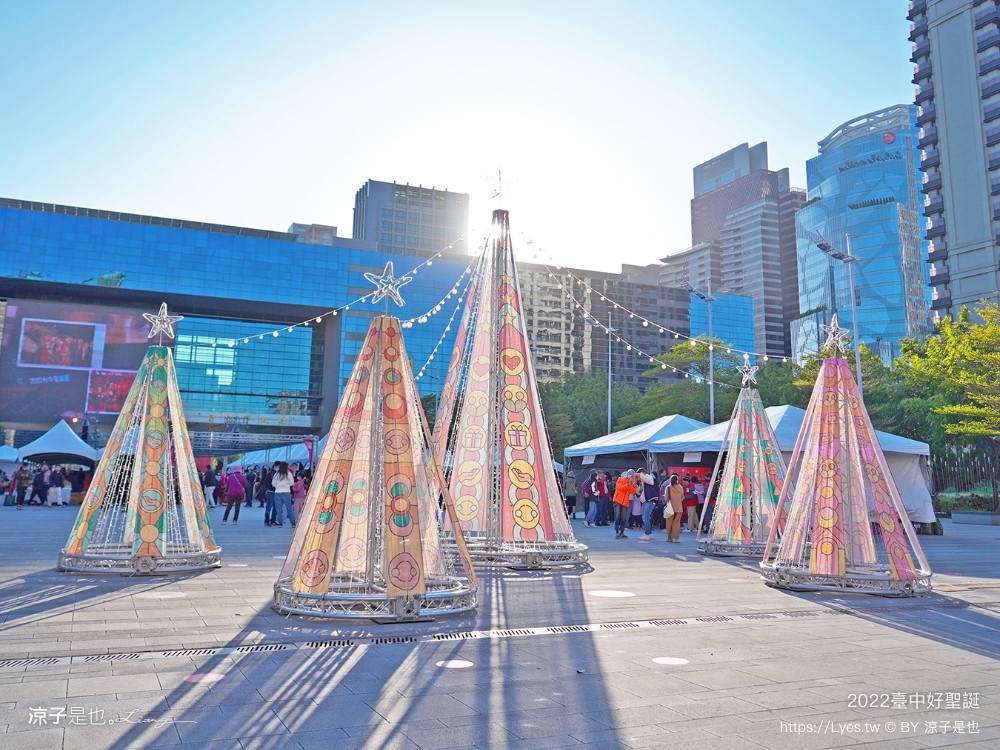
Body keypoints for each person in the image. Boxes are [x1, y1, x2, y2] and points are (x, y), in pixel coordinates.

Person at [611, 470, 638, 539]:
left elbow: (632, 492)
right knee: (617, 516)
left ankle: (622, 532)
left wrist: (634, 485)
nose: (631, 476)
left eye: (632, 475)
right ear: (627, 474)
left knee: (624, 517)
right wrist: (628, 484)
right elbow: (620, 488)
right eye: (629, 475)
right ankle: (617, 531)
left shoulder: (631, 482)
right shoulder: (620, 479)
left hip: (625, 502)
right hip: (617, 500)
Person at [271, 461, 296, 527]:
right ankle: (293, 523)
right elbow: (292, 483)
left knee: (278, 508)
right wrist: (286, 485)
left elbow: (273, 484)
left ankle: (280, 523)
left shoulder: (276, 474)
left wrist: (278, 485)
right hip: (286, 492)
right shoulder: (289, 473)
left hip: (277, 492)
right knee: (289, 508)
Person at [636, 469, 659, 541]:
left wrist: (640, 475)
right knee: (646, 518)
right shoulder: (642, 483)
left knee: (645, 518)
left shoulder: (648, 476)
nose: (639, 477)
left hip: (649, 501)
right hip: (645, 501)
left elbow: (651, 482)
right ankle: (649, 533)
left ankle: (647, 534)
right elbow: (638, 494)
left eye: (639, 475)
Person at [665, 473, 684, 542]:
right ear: (677, 480)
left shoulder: (668, 487)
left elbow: (666, 498)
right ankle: (676, 538)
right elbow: (682, 497)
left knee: (669, 523)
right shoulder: (681, 487)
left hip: (670, 508)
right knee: (677, 523)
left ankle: (669, 538)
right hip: (679, 508)